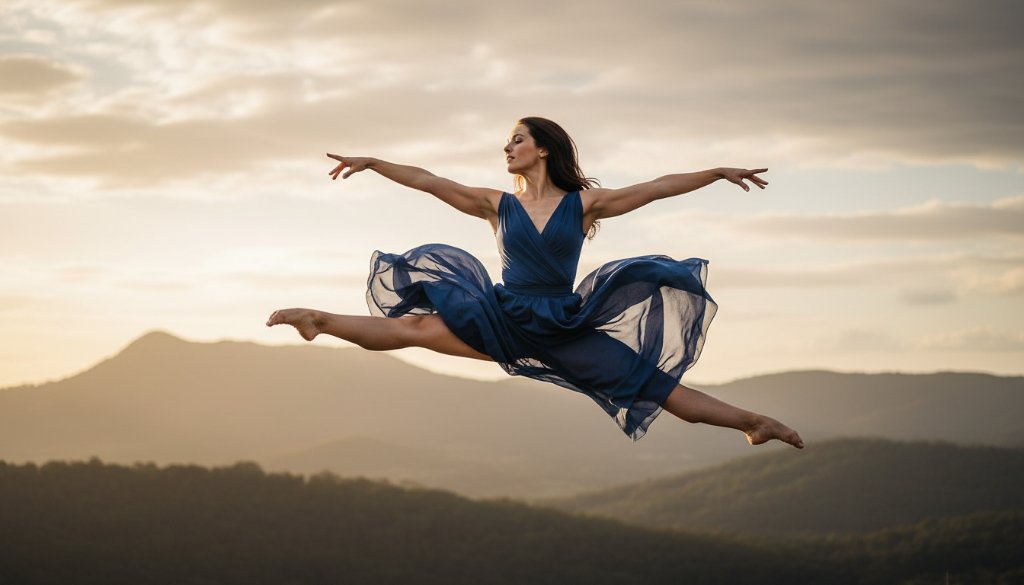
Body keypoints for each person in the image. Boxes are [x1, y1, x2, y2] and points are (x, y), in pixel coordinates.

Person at [267, 117, 803, 448]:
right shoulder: (494, 204)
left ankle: (755, 422)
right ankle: (320, 320)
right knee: (418, 326)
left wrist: (716, 172)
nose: (506, 148)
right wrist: (376, 162)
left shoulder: (584, 205)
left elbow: (658, 187)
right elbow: (430, 182)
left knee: (659, 390)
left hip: (564, 324)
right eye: (506, 142)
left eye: (516, 140)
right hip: (503, 314)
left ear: (541, 148)